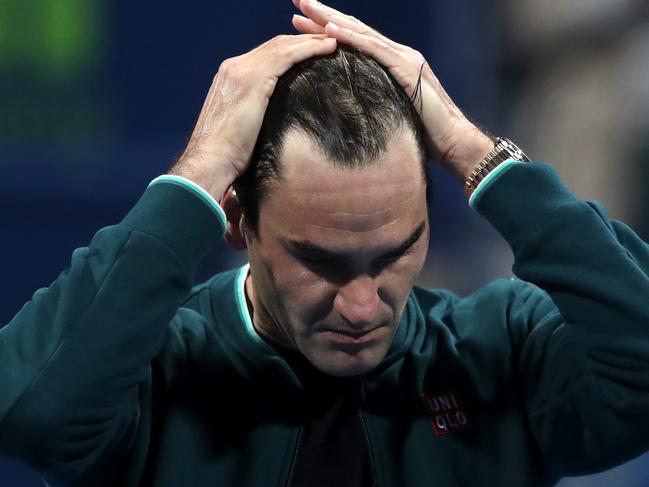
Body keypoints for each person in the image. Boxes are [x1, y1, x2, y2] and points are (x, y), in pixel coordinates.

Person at [1, 1, 649, 486]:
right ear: (235, 222)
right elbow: (33, 412)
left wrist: (472, 151)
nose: (364, 307)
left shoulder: (498, 349)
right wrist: (196, 172)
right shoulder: (154, 368)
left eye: (395, 252)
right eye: (319, 260)